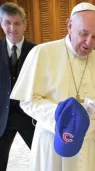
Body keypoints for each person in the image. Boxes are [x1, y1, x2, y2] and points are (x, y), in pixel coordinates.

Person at [10, 2, 95, 171]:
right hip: (53, 142)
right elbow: (28, 100)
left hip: (90, 145)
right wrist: (61, 116)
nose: (89, 43)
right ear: (69, 25)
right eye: (83, 34)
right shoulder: (42, 53)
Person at [0, 2, 36, 170]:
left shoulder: (36, 51)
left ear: (24, 24)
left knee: (43, 157)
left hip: (29, 115)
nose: (12, 28)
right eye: (7, 22)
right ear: (1, 23)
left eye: (16, 23)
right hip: (2, 117)